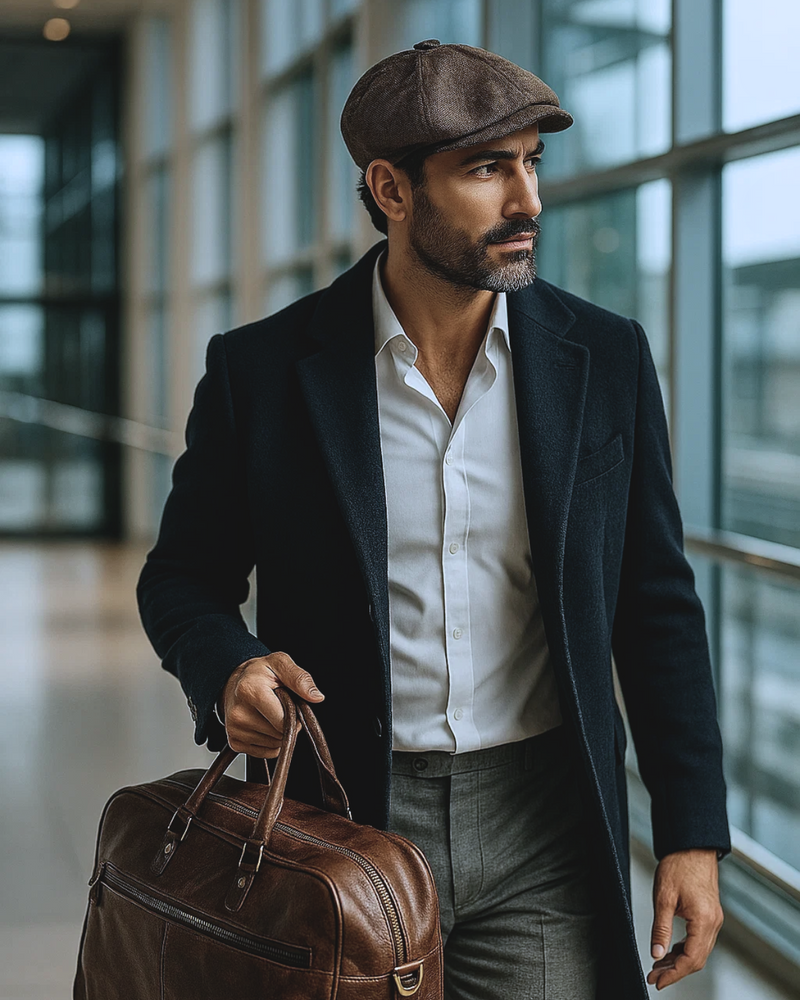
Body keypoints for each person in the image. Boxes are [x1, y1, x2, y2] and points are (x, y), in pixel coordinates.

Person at [138, 39, 730, 1000]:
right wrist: (229, 664)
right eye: (488, 169)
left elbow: (655, 602)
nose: (527, 201)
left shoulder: (606, 361)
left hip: (544, 822)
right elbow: (182, 578)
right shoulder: (264, 374)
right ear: (392, 188)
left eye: (532, 163)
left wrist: (692, 832)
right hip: (343, 822)